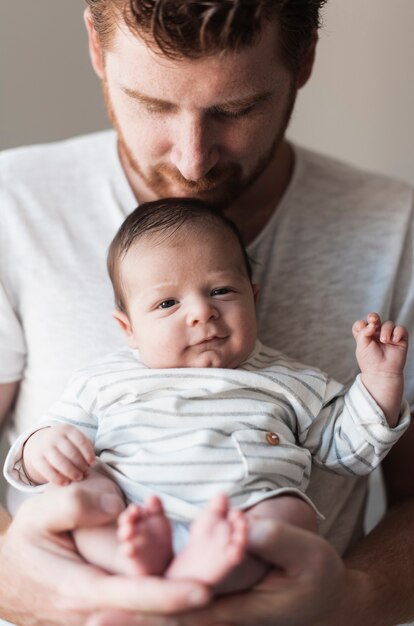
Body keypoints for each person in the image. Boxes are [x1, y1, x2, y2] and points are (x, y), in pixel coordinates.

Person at [0, 1, 413, 625]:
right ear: (95, 48)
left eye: (236, 109)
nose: (193, 161)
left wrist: (348, 600)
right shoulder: (12, 206)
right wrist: (16, 580)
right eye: (153, 103)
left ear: (303, 61)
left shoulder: (400, 229)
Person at [4, 199, 409, 592]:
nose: (201, 312)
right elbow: (48, 440)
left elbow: (350, 452)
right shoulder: (104, 381)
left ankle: (217, 568)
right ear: (127, 328)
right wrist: (43, 448)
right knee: (78, 490)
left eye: (221, 291)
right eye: (167, 302)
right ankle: (128, 560)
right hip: (133, 511)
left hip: (243, 516)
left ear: (254, 297)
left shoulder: (291, 380)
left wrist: (380, 378)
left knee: (289, 511)